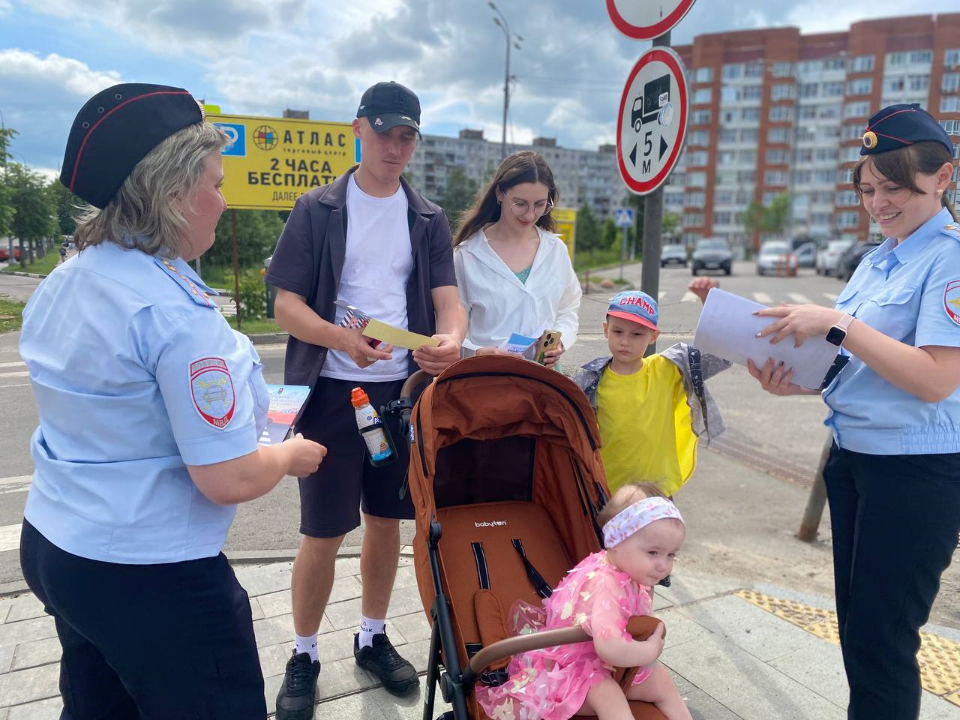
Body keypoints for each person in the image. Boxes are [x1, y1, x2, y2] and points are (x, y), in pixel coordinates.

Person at [18, 83, 326, 719]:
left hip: (58, 546)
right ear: (171, 194)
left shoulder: (71, 277)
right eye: (214, 183)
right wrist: (289, 456)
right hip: (150, 573)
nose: (222, 200)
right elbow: (228, 476)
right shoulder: (173, 313)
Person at [747, 104, 960, 720]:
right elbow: (866, 367)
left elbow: (937, 379)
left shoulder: (948, 259)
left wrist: (838, 324)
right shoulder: (877, 259)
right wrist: (801, 384)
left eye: (895, 187)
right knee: (860, 634)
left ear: (942, 177)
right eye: (868, 189)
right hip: (854, 462)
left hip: (915, 475)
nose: (879, 202)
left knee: (883, 642)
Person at [266, 80, 466, 719]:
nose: (396, 146)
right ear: (359, 129)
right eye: (385, 132)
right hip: (329, 392)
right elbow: (285, 305)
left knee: (387, 523)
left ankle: (373, 637)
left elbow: (448, 302)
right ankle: (303, 653)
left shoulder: (427, 217)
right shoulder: (318, 208)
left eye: (408, 135)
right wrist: (339, 340)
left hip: (401, 398)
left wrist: (452, 342)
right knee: (321, 530)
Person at [476, 482, 692, 720]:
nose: (663, 565)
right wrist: (650, 650)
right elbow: (610, 649)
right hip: (572, 672)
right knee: (610, 696)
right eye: (653, 553)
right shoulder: (606, 585)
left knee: (660, 680)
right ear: (616, 541)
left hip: (607, 668)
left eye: (671, 554)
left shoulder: (631, 573)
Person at [574, 281, 729, 497]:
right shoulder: (590, 380)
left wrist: (710, 302)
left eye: (637, 334)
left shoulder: (668, 369)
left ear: (653, 336)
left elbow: (721, 354)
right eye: (618, 331)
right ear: (605, 330)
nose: (625, 341)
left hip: (658, 492)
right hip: (607, 492)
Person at [453, 150, 581, 367]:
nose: (530, 215)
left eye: (540, 204)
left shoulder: (555, 250)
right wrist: (479, 353)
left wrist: (560, 341)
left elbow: (568, 307)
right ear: (500, 194)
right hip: (487, 380)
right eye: (520, 204)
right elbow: (450, 328)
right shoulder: (466, 255)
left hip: (545, 381)